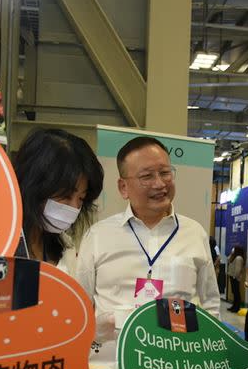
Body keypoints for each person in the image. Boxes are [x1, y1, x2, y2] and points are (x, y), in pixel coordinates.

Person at [76, 136, 220, 346]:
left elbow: (210, 305)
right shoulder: (98, 236)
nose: (160, 184)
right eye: (146, 176)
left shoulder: (194, 233)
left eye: (165, 173)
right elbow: (80, 306)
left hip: (178, 366)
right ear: (123, 187)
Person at [14, 128, 103, 274]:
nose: (74, 207)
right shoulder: (2, 241)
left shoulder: (65, 245)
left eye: (81, 198)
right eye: (66, 195)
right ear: (34, 183)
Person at [226, 245, 246, 312]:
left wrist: (235, 277)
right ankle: (234, 306)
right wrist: (231, 254)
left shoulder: (239, 258)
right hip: (233, 277)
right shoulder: (234, 257)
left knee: (236, 292)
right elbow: (228, 259)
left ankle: (237, 307)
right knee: (234, 292)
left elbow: (238, 269)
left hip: (235, 277)